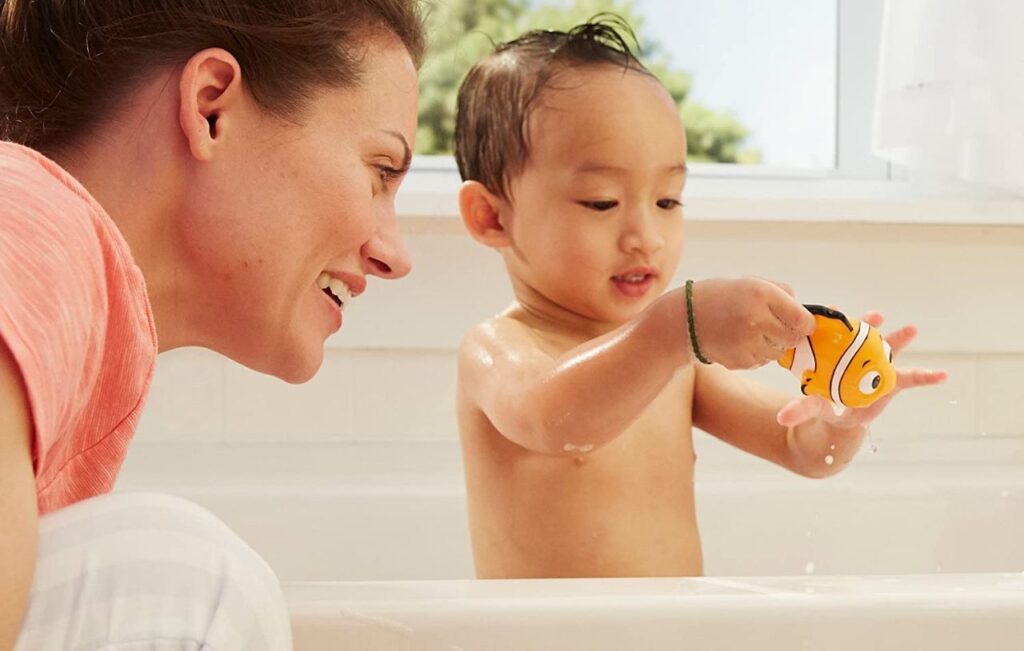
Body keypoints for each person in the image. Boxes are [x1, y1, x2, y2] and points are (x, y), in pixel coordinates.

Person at [453, 19, 947, 579]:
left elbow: (799, 448)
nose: (645, 235)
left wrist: (838, 418)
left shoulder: (673, 364)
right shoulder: (497, 350)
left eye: (667, 200)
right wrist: (671, 328)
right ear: (491, 216)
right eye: (601, 202)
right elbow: (554, 421)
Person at [0, 1, 424, 647]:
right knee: (185, 579)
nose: (393, 253)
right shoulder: (28, 212)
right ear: (210, 107)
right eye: (381, 171)